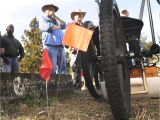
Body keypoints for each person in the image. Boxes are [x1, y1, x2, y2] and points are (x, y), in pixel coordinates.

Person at [39, 4, 67, 74]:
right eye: (50, 9)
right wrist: (59, 27)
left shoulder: (55, 20)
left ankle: (62, 84)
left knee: (62, 67)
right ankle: (51, 84)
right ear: (45, 11)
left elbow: (64, 25)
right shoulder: (42, 18)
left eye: (53, 10)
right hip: (50, 45)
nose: (52, 11)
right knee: (52, 67)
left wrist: (56, 17)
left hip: (60, 45)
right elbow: (48, 27)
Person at [69, 9, 86, 88]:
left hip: (84, 49)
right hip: (75, 50)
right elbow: (68, 38)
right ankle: (76, 85)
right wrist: (71, 47)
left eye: (81, 15)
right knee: (76, 67)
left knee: (83, 67)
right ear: (74, 17)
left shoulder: (84, 26)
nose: (80, 17)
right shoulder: (71, 25)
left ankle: (81, 84)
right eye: (78, 15)